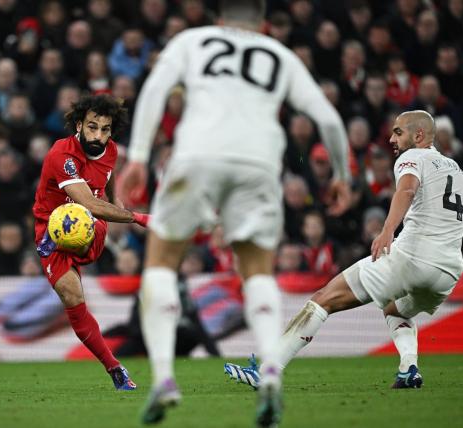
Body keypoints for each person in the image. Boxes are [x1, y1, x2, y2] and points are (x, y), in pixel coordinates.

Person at [119, 0, 352, 425]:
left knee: (161, 264)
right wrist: (341, 175)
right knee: (257, 271)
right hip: (259, 163)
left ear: (220, 19)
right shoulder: (279, 56)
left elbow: (154, 89)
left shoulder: (193, 40)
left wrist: (137, 156)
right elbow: (330, 120)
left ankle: (164, 379)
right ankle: (268, 377)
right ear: (263, 21)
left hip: (196, 157)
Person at [227, 111, 463, 392]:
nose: (391, 138)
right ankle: (408, 369)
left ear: (418, 136)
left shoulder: (412, 157)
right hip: (449, 270)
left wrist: (388, 228)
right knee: (395, 309)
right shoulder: (455, 168)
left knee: (323, 299)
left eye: (398, 132)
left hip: (411, 258)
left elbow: (406, 190)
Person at [32, 94, 150, 391]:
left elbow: (106, 190)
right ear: (79, 125)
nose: (98, 135)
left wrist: (118, 205)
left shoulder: (110, 152)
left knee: (78, 219)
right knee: (72, 297)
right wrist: (135, 218)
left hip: (91, 227)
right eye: (93, 127)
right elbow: (89, 201)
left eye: (105, 129)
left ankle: (62, 239)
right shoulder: (62, 154)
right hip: (51, 223)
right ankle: (115, 369)